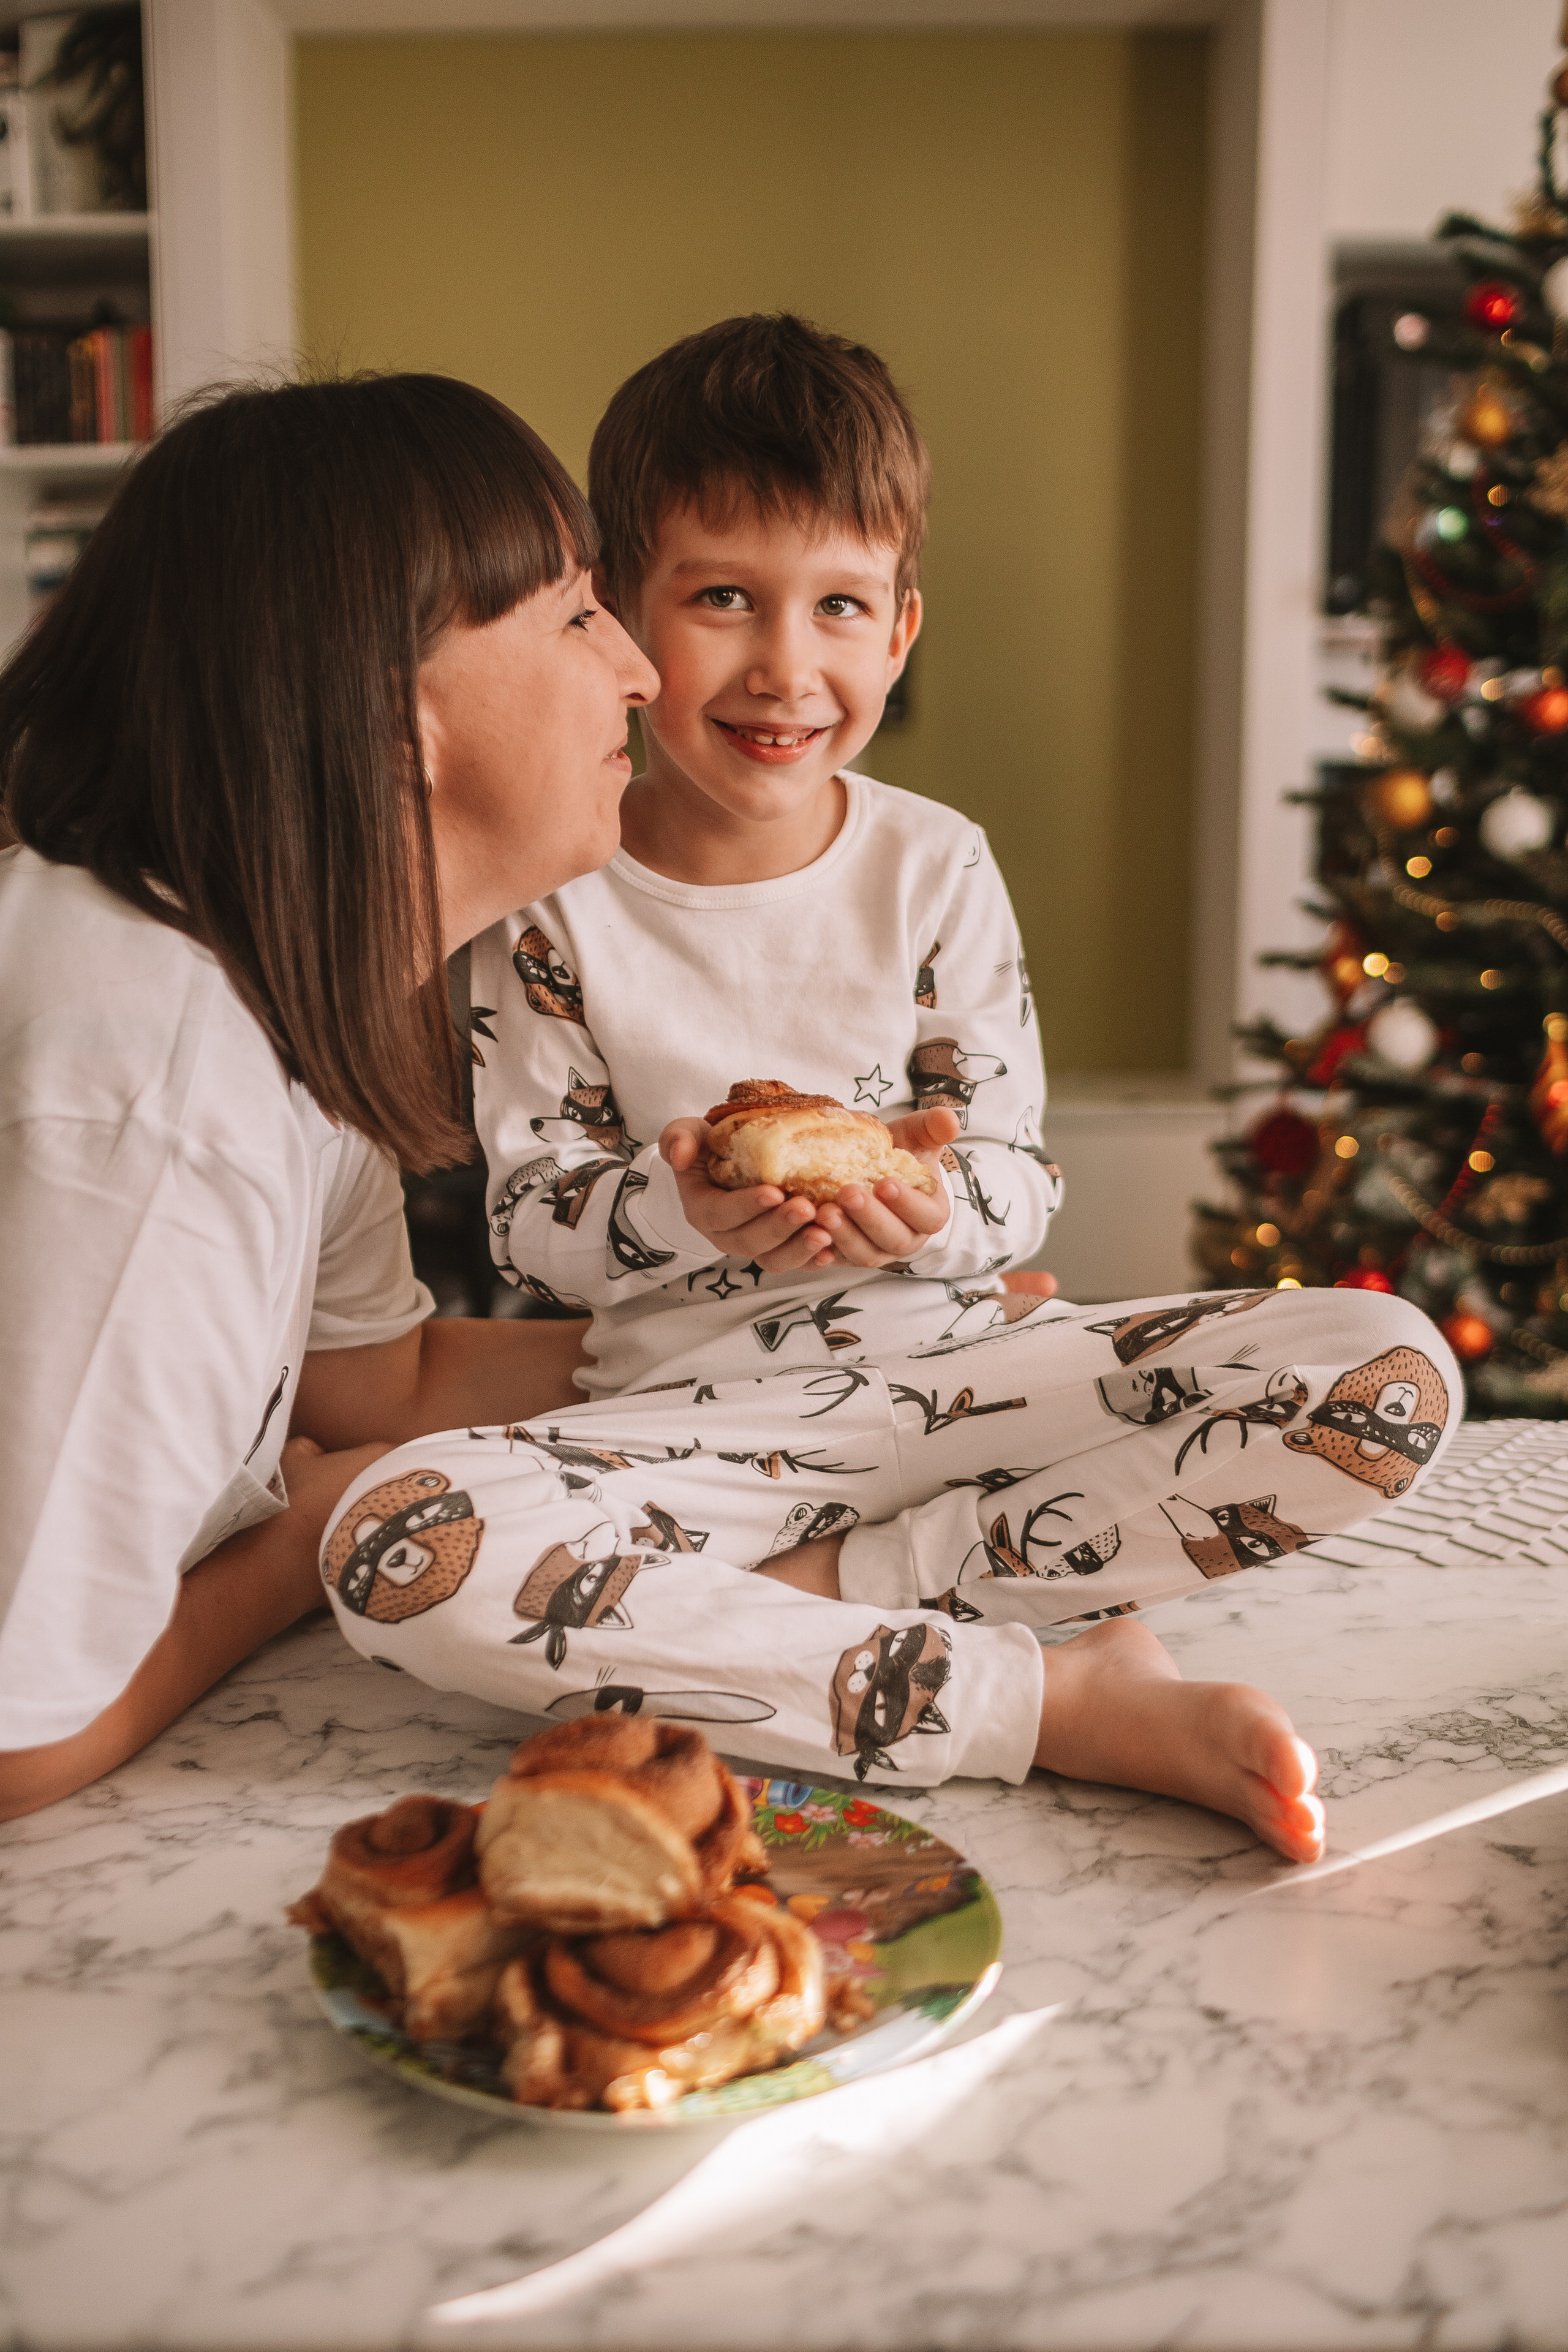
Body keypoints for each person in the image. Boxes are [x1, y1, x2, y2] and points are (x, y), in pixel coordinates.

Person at [0, 374, 650, 1818]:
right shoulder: (151, 1111)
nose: (641, 669)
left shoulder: (283, 976)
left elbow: (382, 1388)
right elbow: (16, 1734)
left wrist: (811, 1346)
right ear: (389, 713)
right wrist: (301, 1549)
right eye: (572, 613)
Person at [472, 314, 1060, 1402]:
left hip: (958, 1389)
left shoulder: (937, 865)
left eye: (839, 605)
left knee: (1366, 1358)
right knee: (404, 1544)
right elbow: (525, 1223)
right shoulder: (552, 898)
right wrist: (678, 1207)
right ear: (618, 615)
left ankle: (878, 1554)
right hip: (684, 1422)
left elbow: (1017, 1177)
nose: (787, 670)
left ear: (898, 634)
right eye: (724, 599)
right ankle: (862, 1562)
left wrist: (929, 1216)